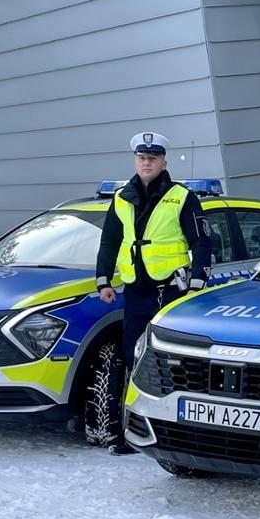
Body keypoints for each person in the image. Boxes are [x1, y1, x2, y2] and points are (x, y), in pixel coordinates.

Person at [93, 131, 212, 452]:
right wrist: (104, 280)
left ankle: (178, 434)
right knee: (133, 357)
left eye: (153, 158)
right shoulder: (121, 197)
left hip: (171, 291)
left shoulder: (182, 197)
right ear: (136, 160)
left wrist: (198, 282)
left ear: (163, 161)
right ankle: (129, 433)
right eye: (142, 158)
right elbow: (109, 241)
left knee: (169, 361)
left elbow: (201, 242)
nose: (146, 162)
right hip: (135, 291)